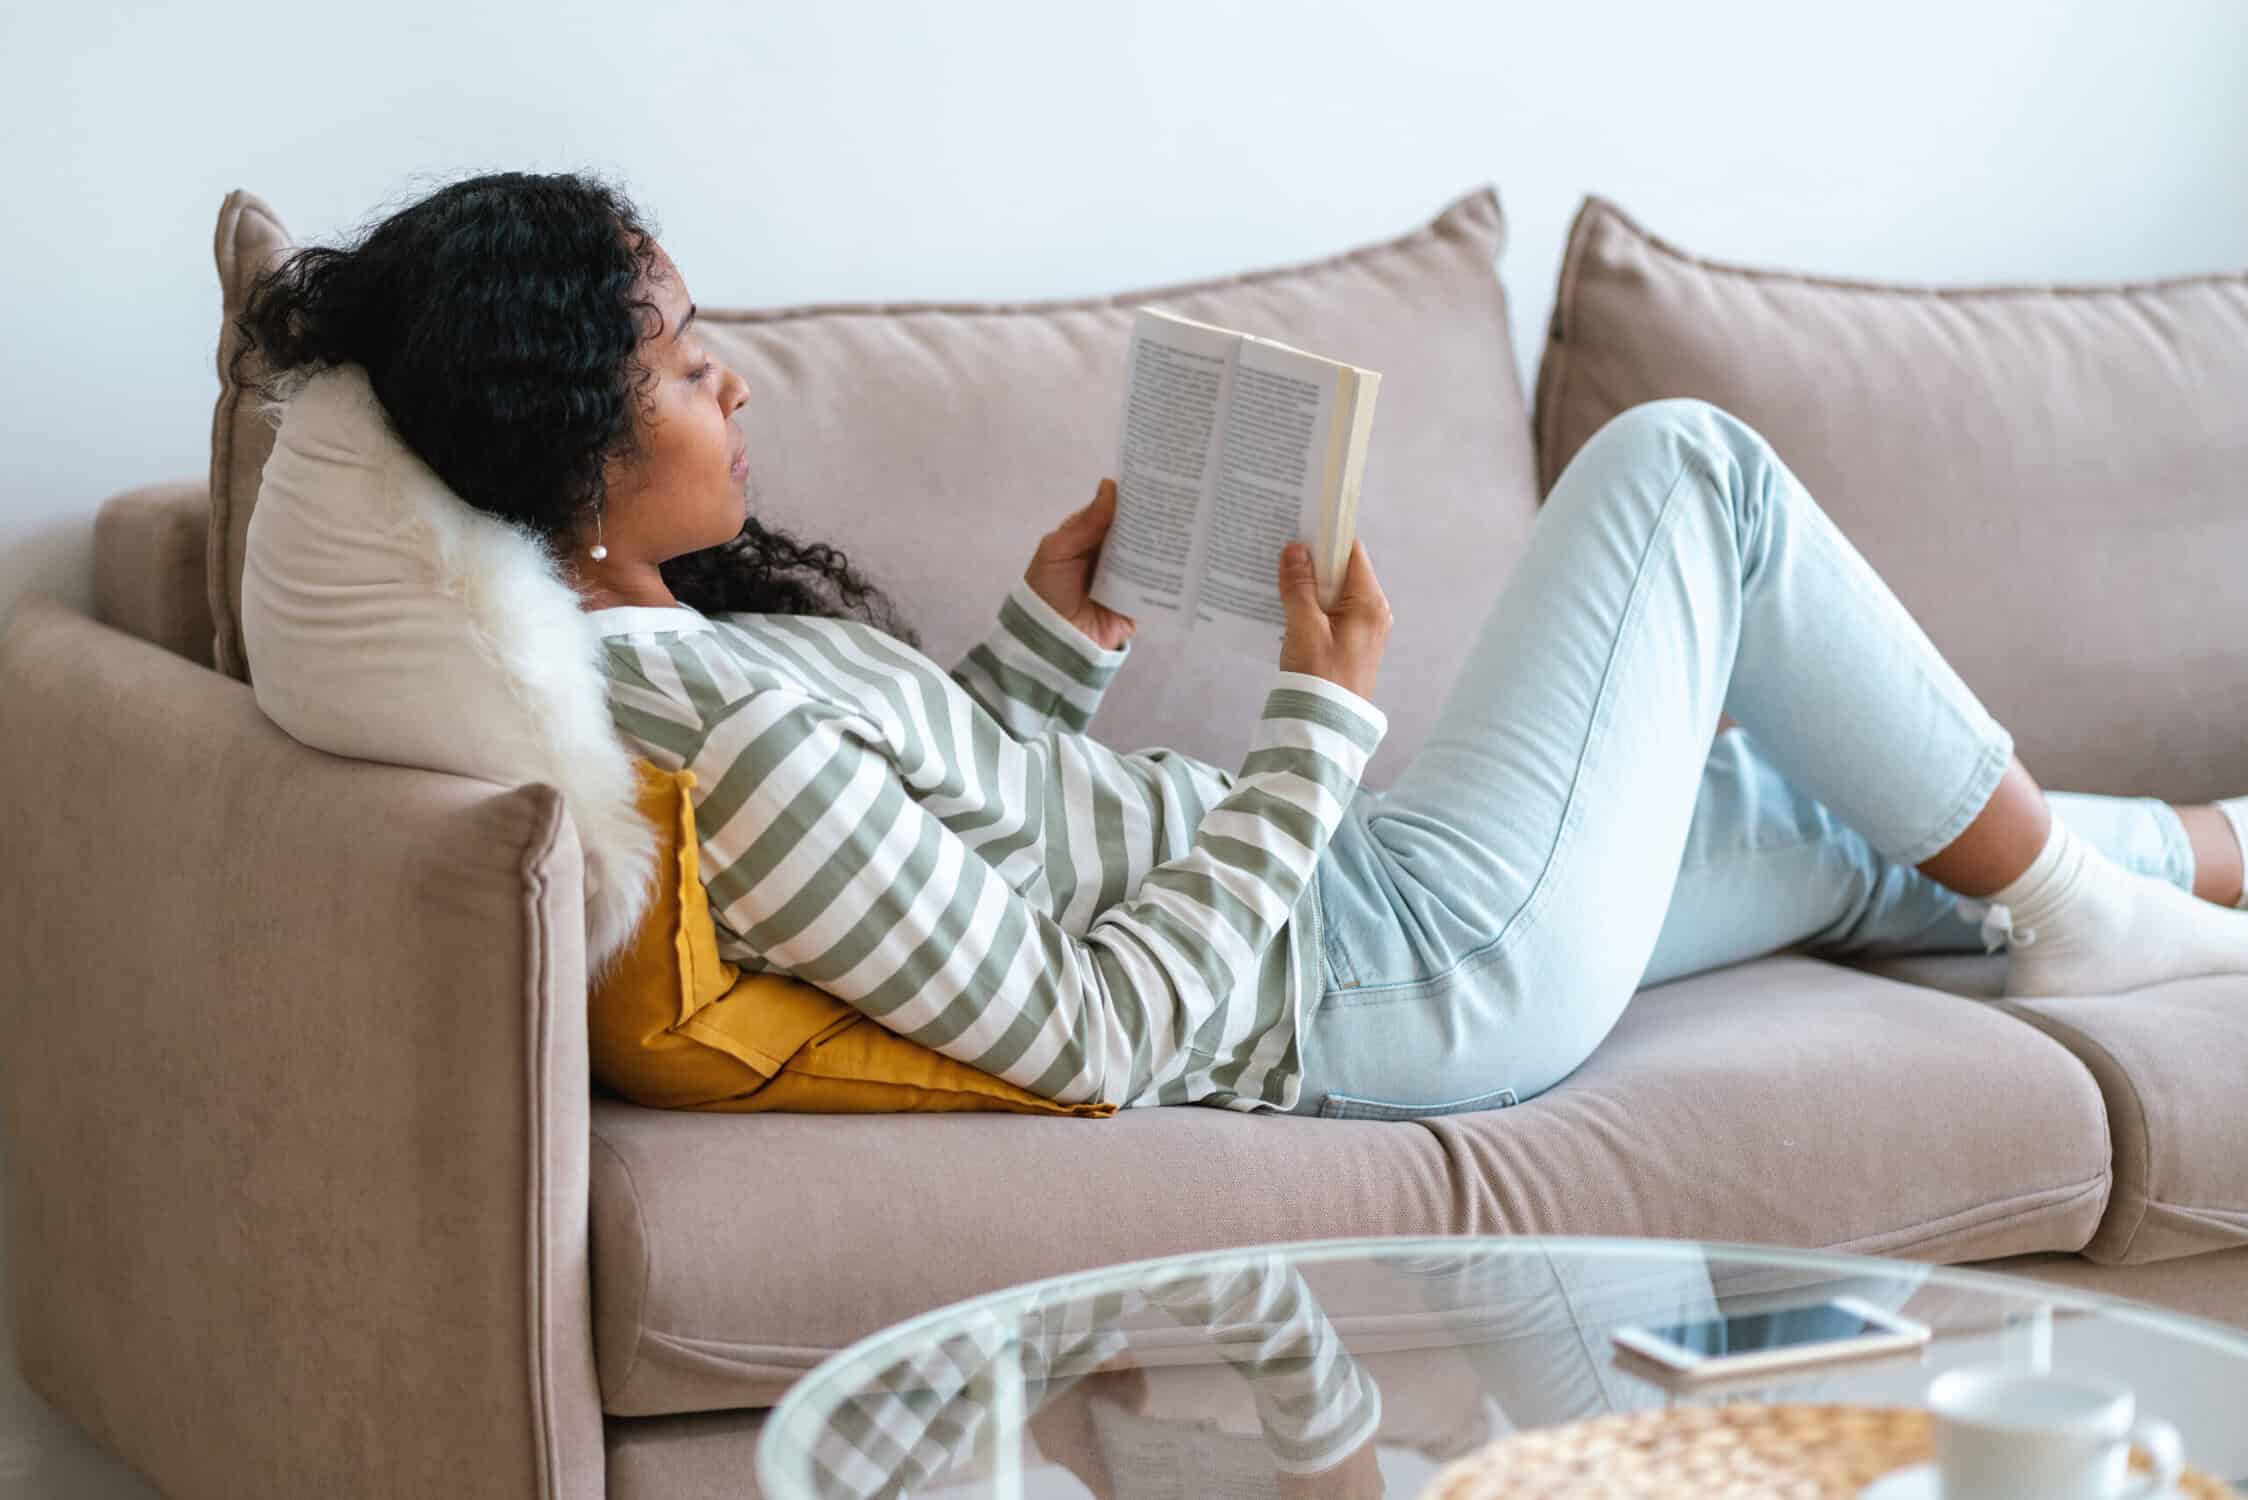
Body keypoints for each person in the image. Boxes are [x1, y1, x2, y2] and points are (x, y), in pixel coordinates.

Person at [231, 169, 2248, 1123]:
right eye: (682, 365)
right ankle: (2073, 901)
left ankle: (2170, 867)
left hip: (1358, 914)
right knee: (1683, 471)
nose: (730, 386)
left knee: (1790, 797)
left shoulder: (668, 633)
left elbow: (979, 820)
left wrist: (1054, 632)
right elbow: (1087, 1038)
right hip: (1372, 983)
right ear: (565, 446)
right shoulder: (700, 747)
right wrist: (1314, 720)